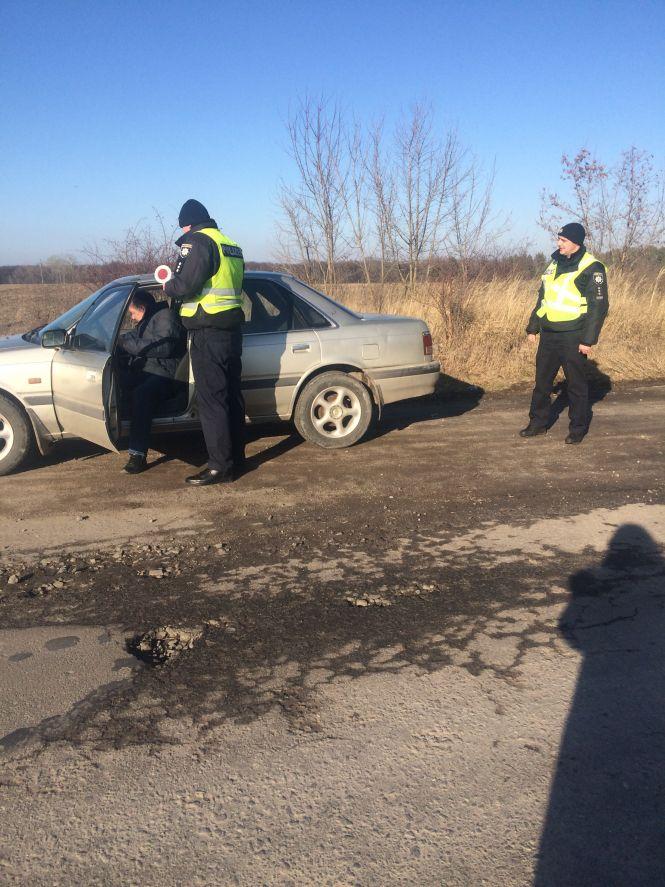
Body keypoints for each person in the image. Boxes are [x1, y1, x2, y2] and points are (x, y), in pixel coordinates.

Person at [164, 199, 246, 486]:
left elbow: (185, 284)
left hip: (207, 330)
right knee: (232, 397)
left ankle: (220, 467)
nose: (182, 232)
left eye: (182, 226)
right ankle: (237, 459)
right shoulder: (230, 244)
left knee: (212, 401)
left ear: (188, 223)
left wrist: (167, 285)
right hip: (230, 330)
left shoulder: (197, 241)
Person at [520, 222, 609, 444]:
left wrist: (588, 340)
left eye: (563, 240)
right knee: (542, 383)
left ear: (575, 243)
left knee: (576, 386)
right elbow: (543, 298)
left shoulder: (592, 267)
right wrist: (533, 327)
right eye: (559, 239)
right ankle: (537, 423)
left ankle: (577, 429)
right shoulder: (553, 264)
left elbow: (598, 307)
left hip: (573, 335)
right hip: (549, 334)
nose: (558, 243)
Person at [117, 291, 185, 474]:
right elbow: (130, 337)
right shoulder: (148, 319)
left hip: (167, 375)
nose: (132, 318)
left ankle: (137, 455)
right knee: (116, 380)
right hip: (149, 370)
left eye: (132, 313)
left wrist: (126, 345)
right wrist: (119, 342)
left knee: (142, 394)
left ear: (143, 308)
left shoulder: (166, 317)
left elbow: (164, 346)